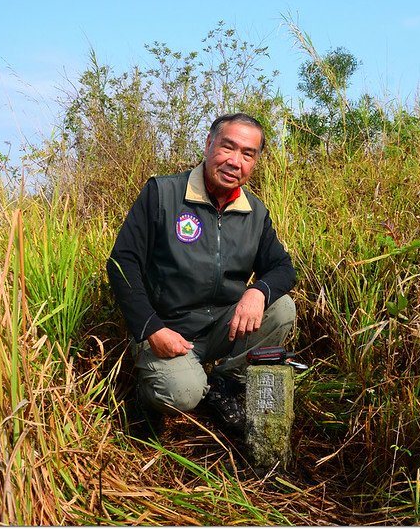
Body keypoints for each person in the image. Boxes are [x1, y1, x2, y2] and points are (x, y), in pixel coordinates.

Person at [107, 113, 296, 436]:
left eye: (247, 154)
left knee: (281, 308)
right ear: (209, 145)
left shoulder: (255, 212)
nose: (235, 161)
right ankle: (146, 394)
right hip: (170, 332)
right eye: (228, 147)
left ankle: (225, 381)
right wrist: (151, 328)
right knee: (182, 394)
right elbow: (122, 263)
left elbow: (282, 268)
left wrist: (257, 291)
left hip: (223, 327)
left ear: (255, 162)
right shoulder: (162, 194)